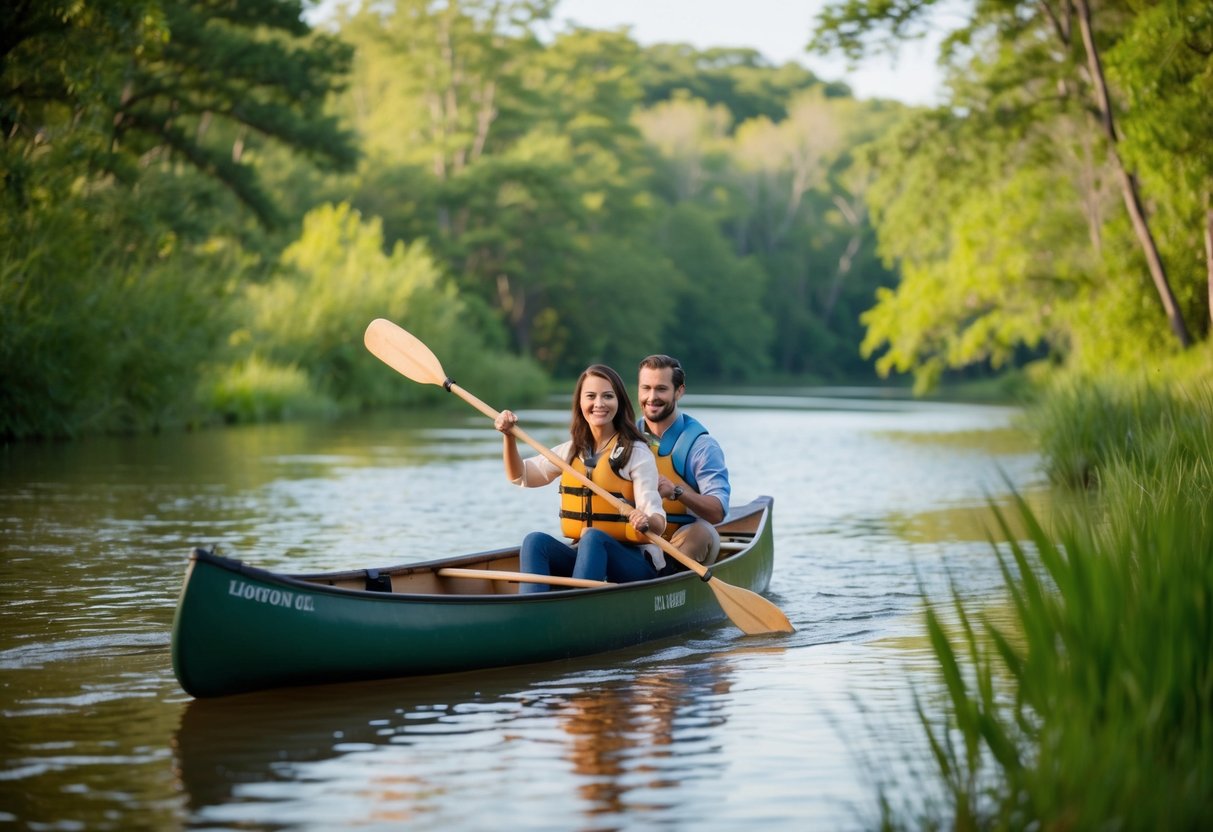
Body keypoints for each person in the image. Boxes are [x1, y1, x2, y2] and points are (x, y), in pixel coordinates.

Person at [494, 364, 666, 593]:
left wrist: (645, 520)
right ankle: (532, 611)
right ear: (580, 404)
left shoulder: (636, 453)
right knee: (535, 541)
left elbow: (658, 522)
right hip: (585, 557)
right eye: (591, 397)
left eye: (607, 396)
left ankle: (575, 607)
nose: (599, 404)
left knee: (594, 537)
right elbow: (520, 476)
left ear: (620, 402)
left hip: (634, 565)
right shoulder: (572, 451)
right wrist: (509, 437)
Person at [636, 354, 731, 569]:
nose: (651, 397)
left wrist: (677, 492)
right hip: (639, 535)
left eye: (661, 389)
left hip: (686, 537)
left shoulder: (703, 447)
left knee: (700, 533)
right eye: (646, 388)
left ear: (679, 391)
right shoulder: (625, 439)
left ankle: (665, 586)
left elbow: (718, 511)